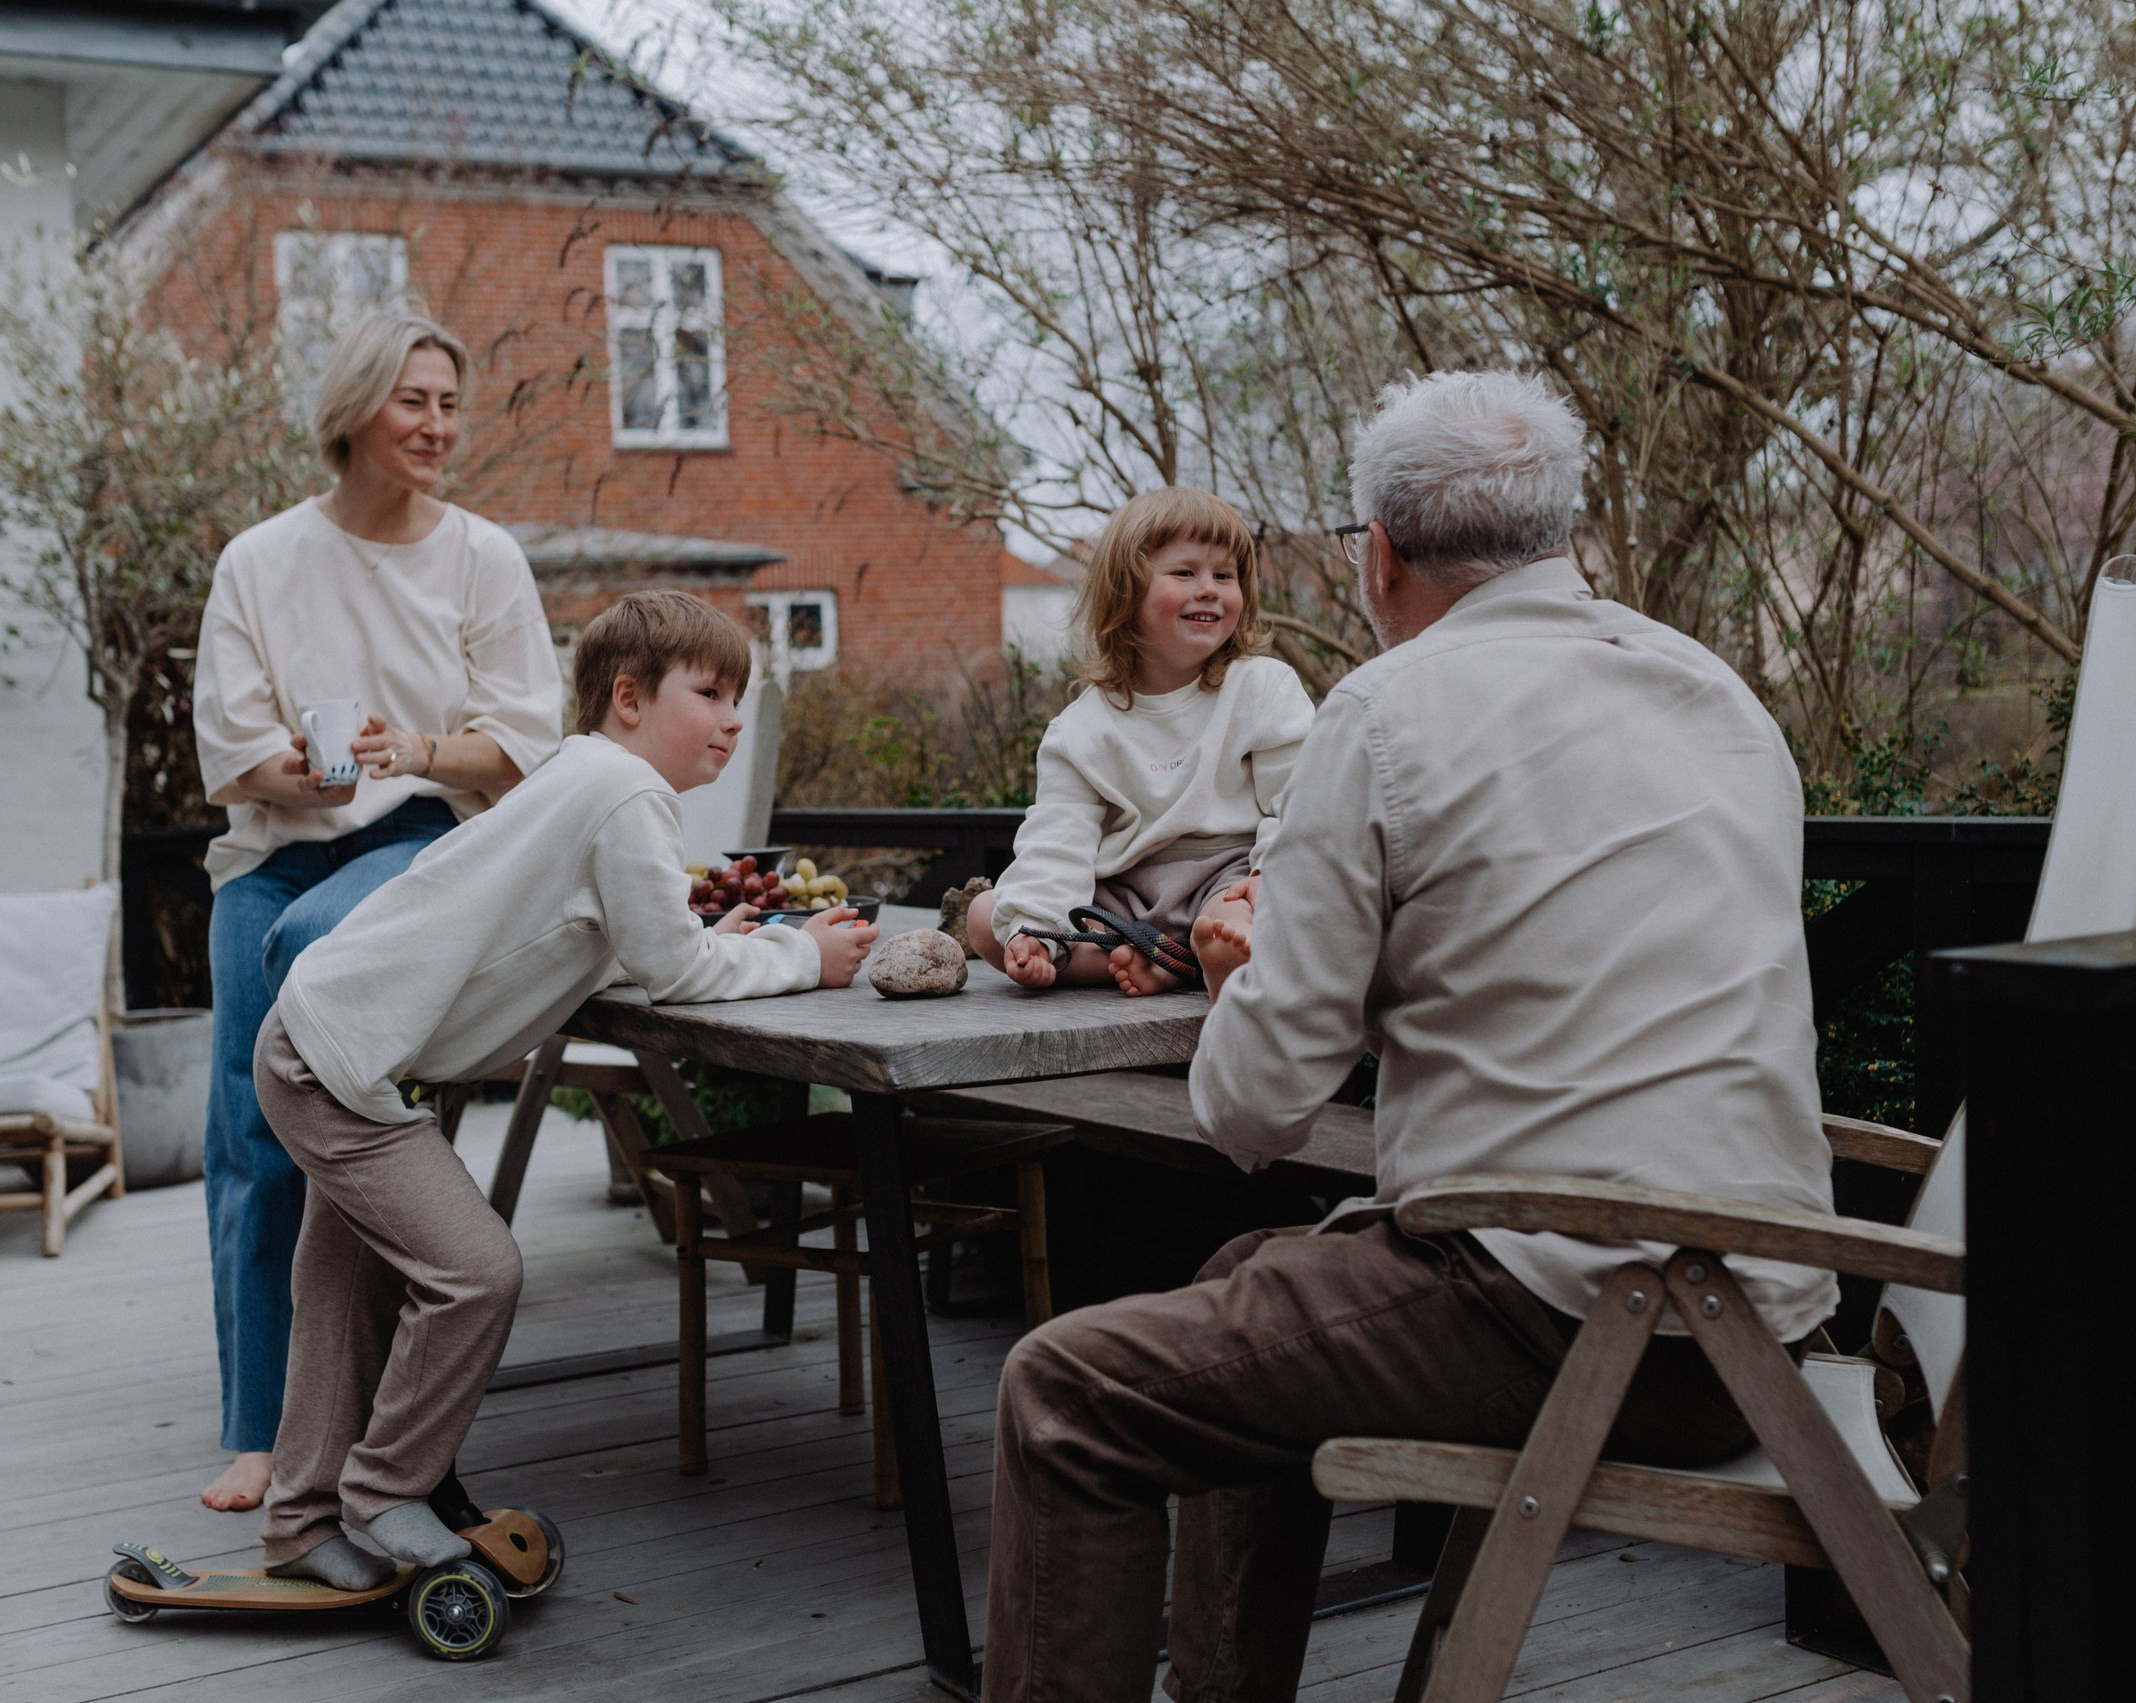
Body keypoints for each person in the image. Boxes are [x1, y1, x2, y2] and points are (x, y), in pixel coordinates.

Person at [980, 371, 1839, 1703]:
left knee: (1066, 1389)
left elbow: (1253, 1107)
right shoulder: (1713, 691)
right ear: (1557, 533)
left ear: (1377, 553)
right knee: (1244, 1281)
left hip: (1568, 1312)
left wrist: (1240, 971)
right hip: (1765, 1314)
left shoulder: (1387, 711)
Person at [251, 589, 879, 1587]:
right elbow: (674, 972)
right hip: (339, 1066)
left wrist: (707, 937)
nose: (732, 718)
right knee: (477, 1272)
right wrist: (802, 953)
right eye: (710, 693)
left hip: (324, 1039)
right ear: (628, 698)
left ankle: (299, 1521)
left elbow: (604, 937)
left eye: (739, 697)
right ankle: (384, 1489)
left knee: (345, 1292)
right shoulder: (626, 793)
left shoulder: (581, 776)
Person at [190, 312, 564, 1513]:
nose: (438, 424)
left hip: (416, 840)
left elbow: (526, 741)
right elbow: (231, 741)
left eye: (450, 402)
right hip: (272, 847)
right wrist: (299, 774)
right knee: (248, 1136)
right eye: (415, 400)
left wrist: (414, 749)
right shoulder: (261, 559)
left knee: (309, 970)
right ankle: (260, 1428)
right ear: (354, 410)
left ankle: (369, 1385)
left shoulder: (482, 557)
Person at [969, 488, 1316, 995]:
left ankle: (1205, 953)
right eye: (1185, 573)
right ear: (1126, 592)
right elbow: (1057, 842)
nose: (1209, 589)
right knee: (986, 919)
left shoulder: (1262, 688)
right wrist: (1033, 930)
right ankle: (1169, 959)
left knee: (1239, 915)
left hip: (1227, 877)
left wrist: (1270, 875)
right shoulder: (1081, 729)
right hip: (1125, 899)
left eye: (1225, 575)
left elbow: (1301, 799)